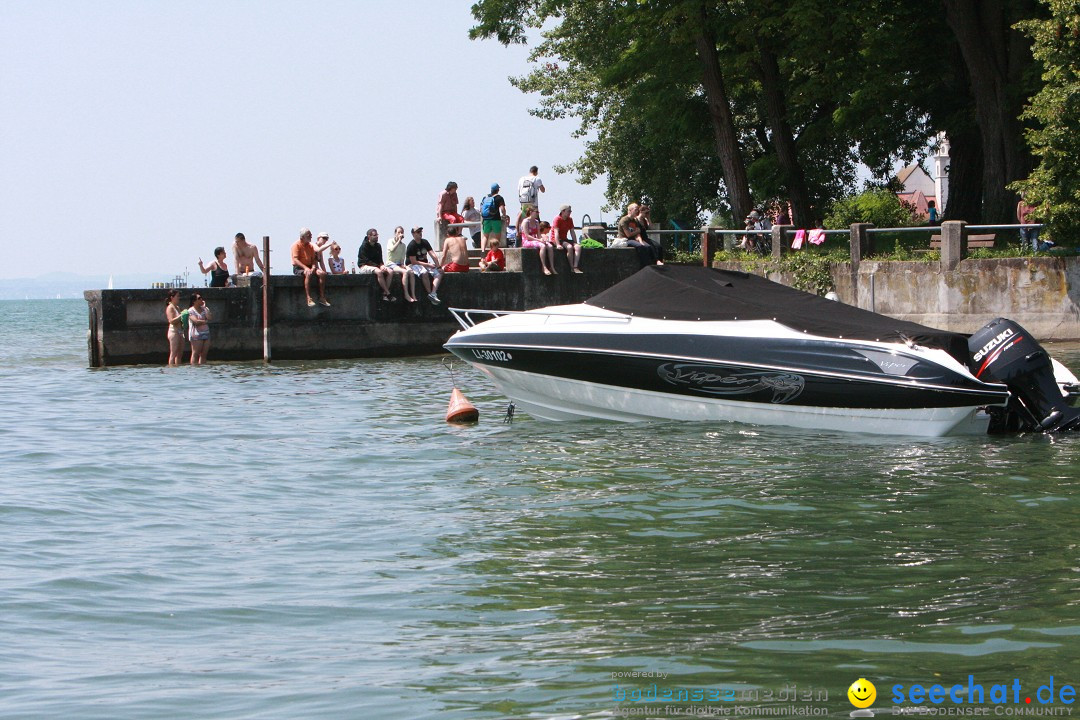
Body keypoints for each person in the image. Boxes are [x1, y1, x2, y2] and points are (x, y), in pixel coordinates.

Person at [291, 228, 330, 307]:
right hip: (299, 267)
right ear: (302, 237)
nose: (311, 237)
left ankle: (322, 297)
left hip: (309, 266)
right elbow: (295, 260)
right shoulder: (296, 245)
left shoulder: (310, 246)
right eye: (309, 235)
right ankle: (309, 298)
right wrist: (305, 268)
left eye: (311, 235)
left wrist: (313, 267)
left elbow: (313, 260)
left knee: (322, 274)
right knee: (308, 273)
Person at [357, 228, 397, 302]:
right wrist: (379, 267)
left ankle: (384, 294)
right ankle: (388, 293)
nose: (377, 237)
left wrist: (382, 265)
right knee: (379, 272)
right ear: (369, 236)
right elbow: (366, 261)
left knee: (390, 272)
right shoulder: (364, 246)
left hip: (376, 266)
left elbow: (380, 259)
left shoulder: (378, 246)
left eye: (377, 235)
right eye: (374, 235)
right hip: (364, 266)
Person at [406, 226, 442, 304]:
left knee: (438, 274)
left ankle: (433, 293)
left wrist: (438, 266)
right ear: (413, 234)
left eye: (421, 232)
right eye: (418, 232)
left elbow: (433, 255)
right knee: (424, 273)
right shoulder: (411, 245)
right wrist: (427, 265)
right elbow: (413, 261)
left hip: (424, 263)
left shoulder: (425, 242)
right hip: (412, 265)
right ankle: (429, 294)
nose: (420, 233)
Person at [519, 207, 556, 275]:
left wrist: (542, 240)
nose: (537, 214)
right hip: (527, 241)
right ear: (531, 212)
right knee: (542, 246)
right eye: (536, 212)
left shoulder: (536, 222)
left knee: (550, 246)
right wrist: (539, 240)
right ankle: (544, 267)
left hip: (535, 239)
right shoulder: (525, 222)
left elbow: (539, 234)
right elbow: (527, 236)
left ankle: (552, 266)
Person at [386, 226, 416, 302]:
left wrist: (404, 266)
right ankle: (406, 294)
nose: (400, 234)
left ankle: (413, 294)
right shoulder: (390, 241)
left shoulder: (403, 246)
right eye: (398, 232)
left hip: (399, 264)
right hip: (391, 263)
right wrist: (399, 240)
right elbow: (392, 249)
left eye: (402, 232)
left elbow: (402, 259)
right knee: (405, 272)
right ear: (395, 233)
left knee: (411, 272)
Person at [551, 204, 583, 273]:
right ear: (563, 211)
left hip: (565, 239)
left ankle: (575, 266)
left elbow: (572, 232)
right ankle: (571, 267)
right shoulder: (557, 219)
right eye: (568, 211)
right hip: (556, 239)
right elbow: (556, 232)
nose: (570, 212)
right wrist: (558, 244)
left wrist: (575, 242)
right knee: (569, 247)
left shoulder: (570, 219)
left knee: (578, 247)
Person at [480, 182, 508, 252]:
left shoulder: (486, 197)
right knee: (497, 236)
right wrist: (504, 215)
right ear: (498, 190)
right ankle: (494, 250)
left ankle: (483, 250)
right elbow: (502, 208)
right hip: (496, 219)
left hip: (486, 219)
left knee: (485, 236)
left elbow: (481, 209)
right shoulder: (499, 198)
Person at [187, 292, 211, 365]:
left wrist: (204, 308)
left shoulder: (205, 309)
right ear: (194, 301)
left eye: (201, 298)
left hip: (206, 333)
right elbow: (196, 321)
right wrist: (205, 321)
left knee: (204, 354)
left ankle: (202, 369)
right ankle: (194, 369)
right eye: (199, 298)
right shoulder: (191, 310)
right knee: (195, 353)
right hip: (196, 334)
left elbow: (209, 317)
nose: (201, 300)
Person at [165, 289, 184, 366]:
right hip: (173, 332)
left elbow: (180, 320)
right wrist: (181, 315)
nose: (179, 298)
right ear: (172, 297)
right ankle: (171, 369)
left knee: (179, 354)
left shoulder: (177, 307)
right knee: (173, 353)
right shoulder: (170, 307)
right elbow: (171, 321)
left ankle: (178, 369)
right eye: (177, 296)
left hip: (180, 331)